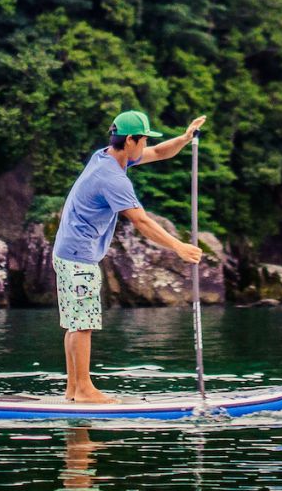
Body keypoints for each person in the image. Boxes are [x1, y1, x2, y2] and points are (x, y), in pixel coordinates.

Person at [53, 110, 207, 403]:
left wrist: (186, 138)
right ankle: (84, 389)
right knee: (83, 322)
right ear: (130, 140)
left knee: (76, 321)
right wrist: (179, 247)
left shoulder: (109, 155)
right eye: (143, 139)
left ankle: (74, 389)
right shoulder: (111, 177)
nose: (146, 144)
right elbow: (141, 221)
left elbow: (162, 152)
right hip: (78, 255)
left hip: (67, 250)